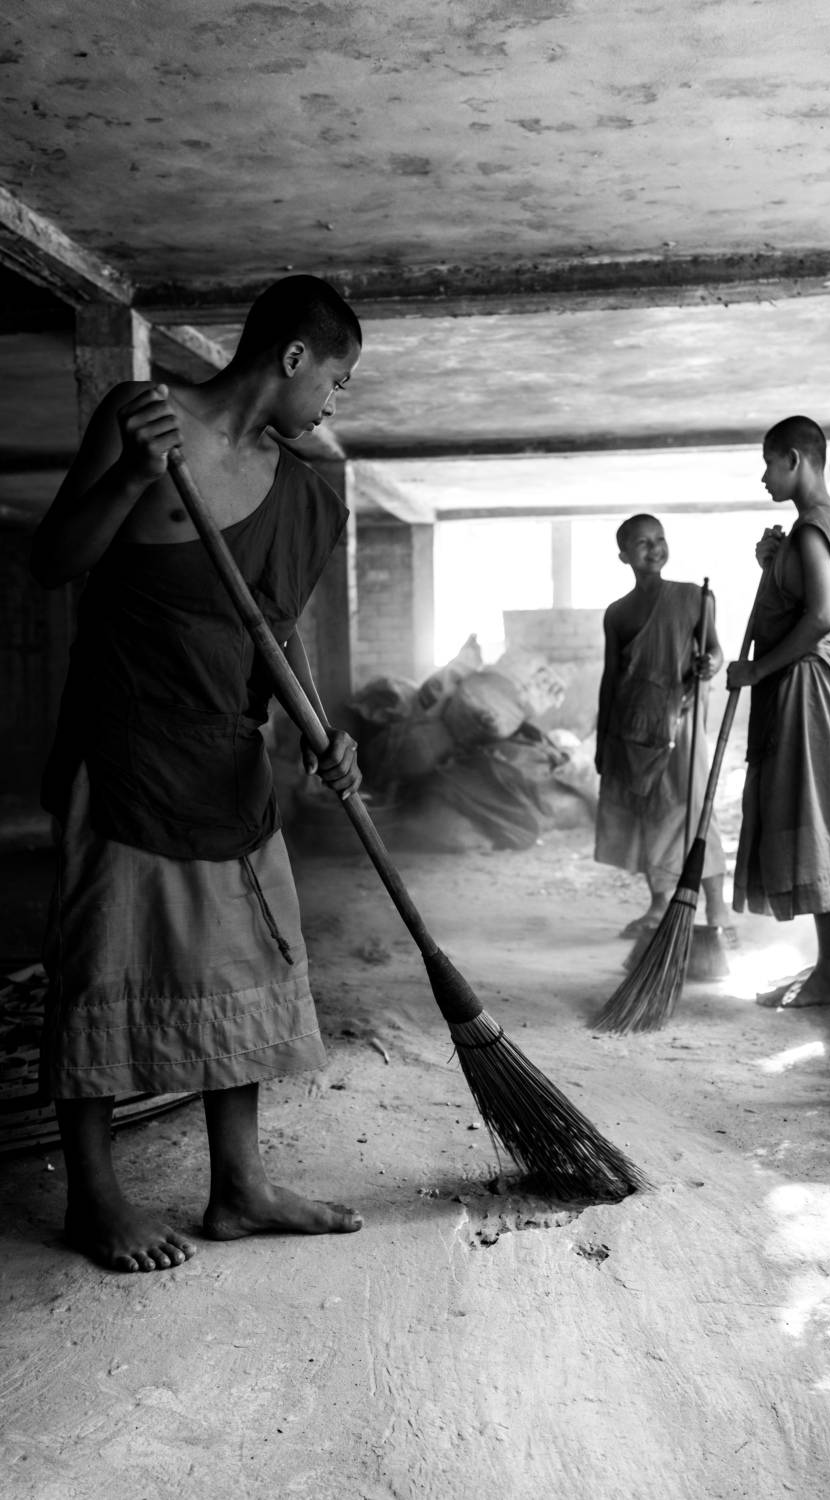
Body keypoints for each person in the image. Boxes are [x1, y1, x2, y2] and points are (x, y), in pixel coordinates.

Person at [31, 274, 366, 1271]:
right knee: (105, 966)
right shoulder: (144, 417)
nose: (334, 404)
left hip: (228, 756)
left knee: (247, 961)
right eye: (336, 379)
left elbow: (277, 628)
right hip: (124, 750)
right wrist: (132, 475)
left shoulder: (301, 488)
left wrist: (321, 730)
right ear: (293, 357)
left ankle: (240, 1187)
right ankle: (95, 1199)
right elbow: (52, 560)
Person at [726, 415, 830, 1008]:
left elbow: (821, 617)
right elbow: (797, 603)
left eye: (768, 463)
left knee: (814, 818)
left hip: (806, 687)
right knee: (807, 816)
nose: (764, 477)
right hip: (804, 687)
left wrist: (757, 670)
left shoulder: (812, 530)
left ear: (794, 459)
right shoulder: (809, 530)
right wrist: (771, 566)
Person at [594, 514, 729, 937]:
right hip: (633, 727)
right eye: (642, 543)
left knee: (694, 806)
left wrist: (710, 665)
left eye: (659, 539)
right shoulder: (617, 613)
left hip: (681, 722)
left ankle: (717, 907)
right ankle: (658, 904)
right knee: (649, 811)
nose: (654, 549)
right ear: (623, 556)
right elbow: (610, 678)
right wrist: (602, 740)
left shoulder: (694, 597)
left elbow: (715, 650)